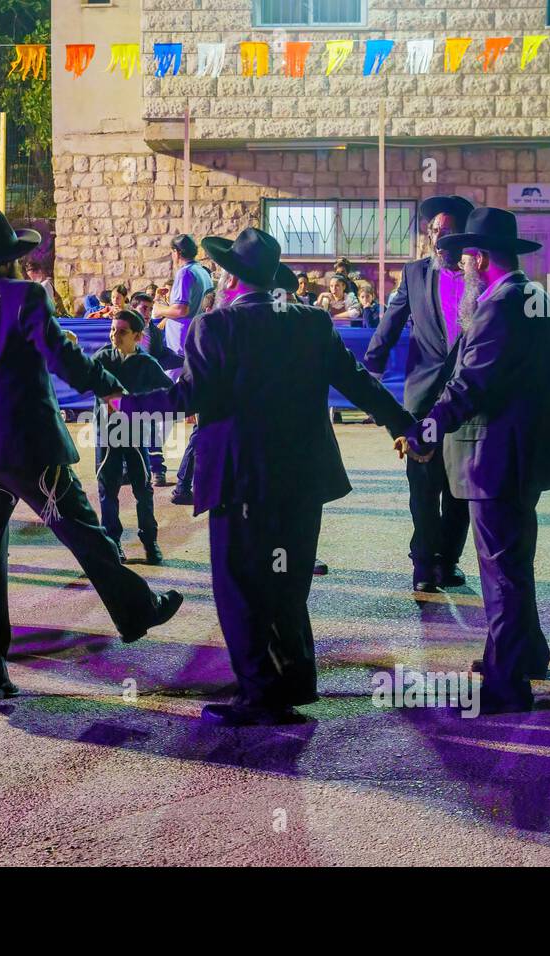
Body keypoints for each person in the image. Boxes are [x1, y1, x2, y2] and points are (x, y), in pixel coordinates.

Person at [118, 228, 417, 726]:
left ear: (232, 278)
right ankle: (296, 680)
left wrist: (121, 405)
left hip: (241, 478)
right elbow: (358, 382)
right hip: (301, 476)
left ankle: (261, 694)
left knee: (240, 586)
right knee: (288, 582)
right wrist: (404, 424)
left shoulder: (214, 328)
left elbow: (186, 398)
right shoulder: (312, 323)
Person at [0, 209, 183, 699]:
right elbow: (66, 362)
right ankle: (136, 609)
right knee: (81, 532)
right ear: (9, 262)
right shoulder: (26, 298)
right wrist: (112, 388)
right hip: (25, 443)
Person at [403, 207, 550, 715]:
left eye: (466, 258)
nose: (462, 266)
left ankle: (507, 684)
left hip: (491, 458)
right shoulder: (544, 302)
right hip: (525, 458)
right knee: (514, 561)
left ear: (480, 258)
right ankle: (525, 652)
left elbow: (469, 386)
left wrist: (424, 430)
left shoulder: (496, 307)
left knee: (501, 570)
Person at [365, 195, 475, 594]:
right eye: (432, 231)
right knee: (422, 485)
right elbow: (390, 325)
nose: (436, 239)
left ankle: (448, 560)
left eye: (445, 232)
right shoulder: (413, 274)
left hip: (468, 400)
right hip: (422, 398)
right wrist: (370, 374)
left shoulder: (482, 275)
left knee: (460, 488)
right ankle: (423, 563)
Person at [91, 309, 173, 564]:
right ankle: (112, 543)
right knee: (108, 489)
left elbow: (169, 395)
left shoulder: (147, 364)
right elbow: (82, 378)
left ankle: (150, 541)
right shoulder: (102, 358)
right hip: (107, 433)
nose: (115, 335)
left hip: (137, 433)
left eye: (122, 331)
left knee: (143, 489)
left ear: (137, 336)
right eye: (113, 329)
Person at [152, 234, 214, 506]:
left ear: (176, 252)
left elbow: (181, 309)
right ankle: (186, 476)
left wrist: (159, 309)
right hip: (199, 345)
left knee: (164, 409)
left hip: (179, 350)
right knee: (196, 413)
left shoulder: (185, 273)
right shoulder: (204, 272)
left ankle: (154, 466)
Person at [130, 290, 178, 486]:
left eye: (150, 309)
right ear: (132, 309)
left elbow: (161, 354)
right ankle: (127, 469)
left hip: (147, 388)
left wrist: (185, 360)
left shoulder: (156, 332)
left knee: (151, 428)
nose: (148, 313)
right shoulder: (122, 329)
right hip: (127, 387)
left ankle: (157, 469)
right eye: (144, 308)